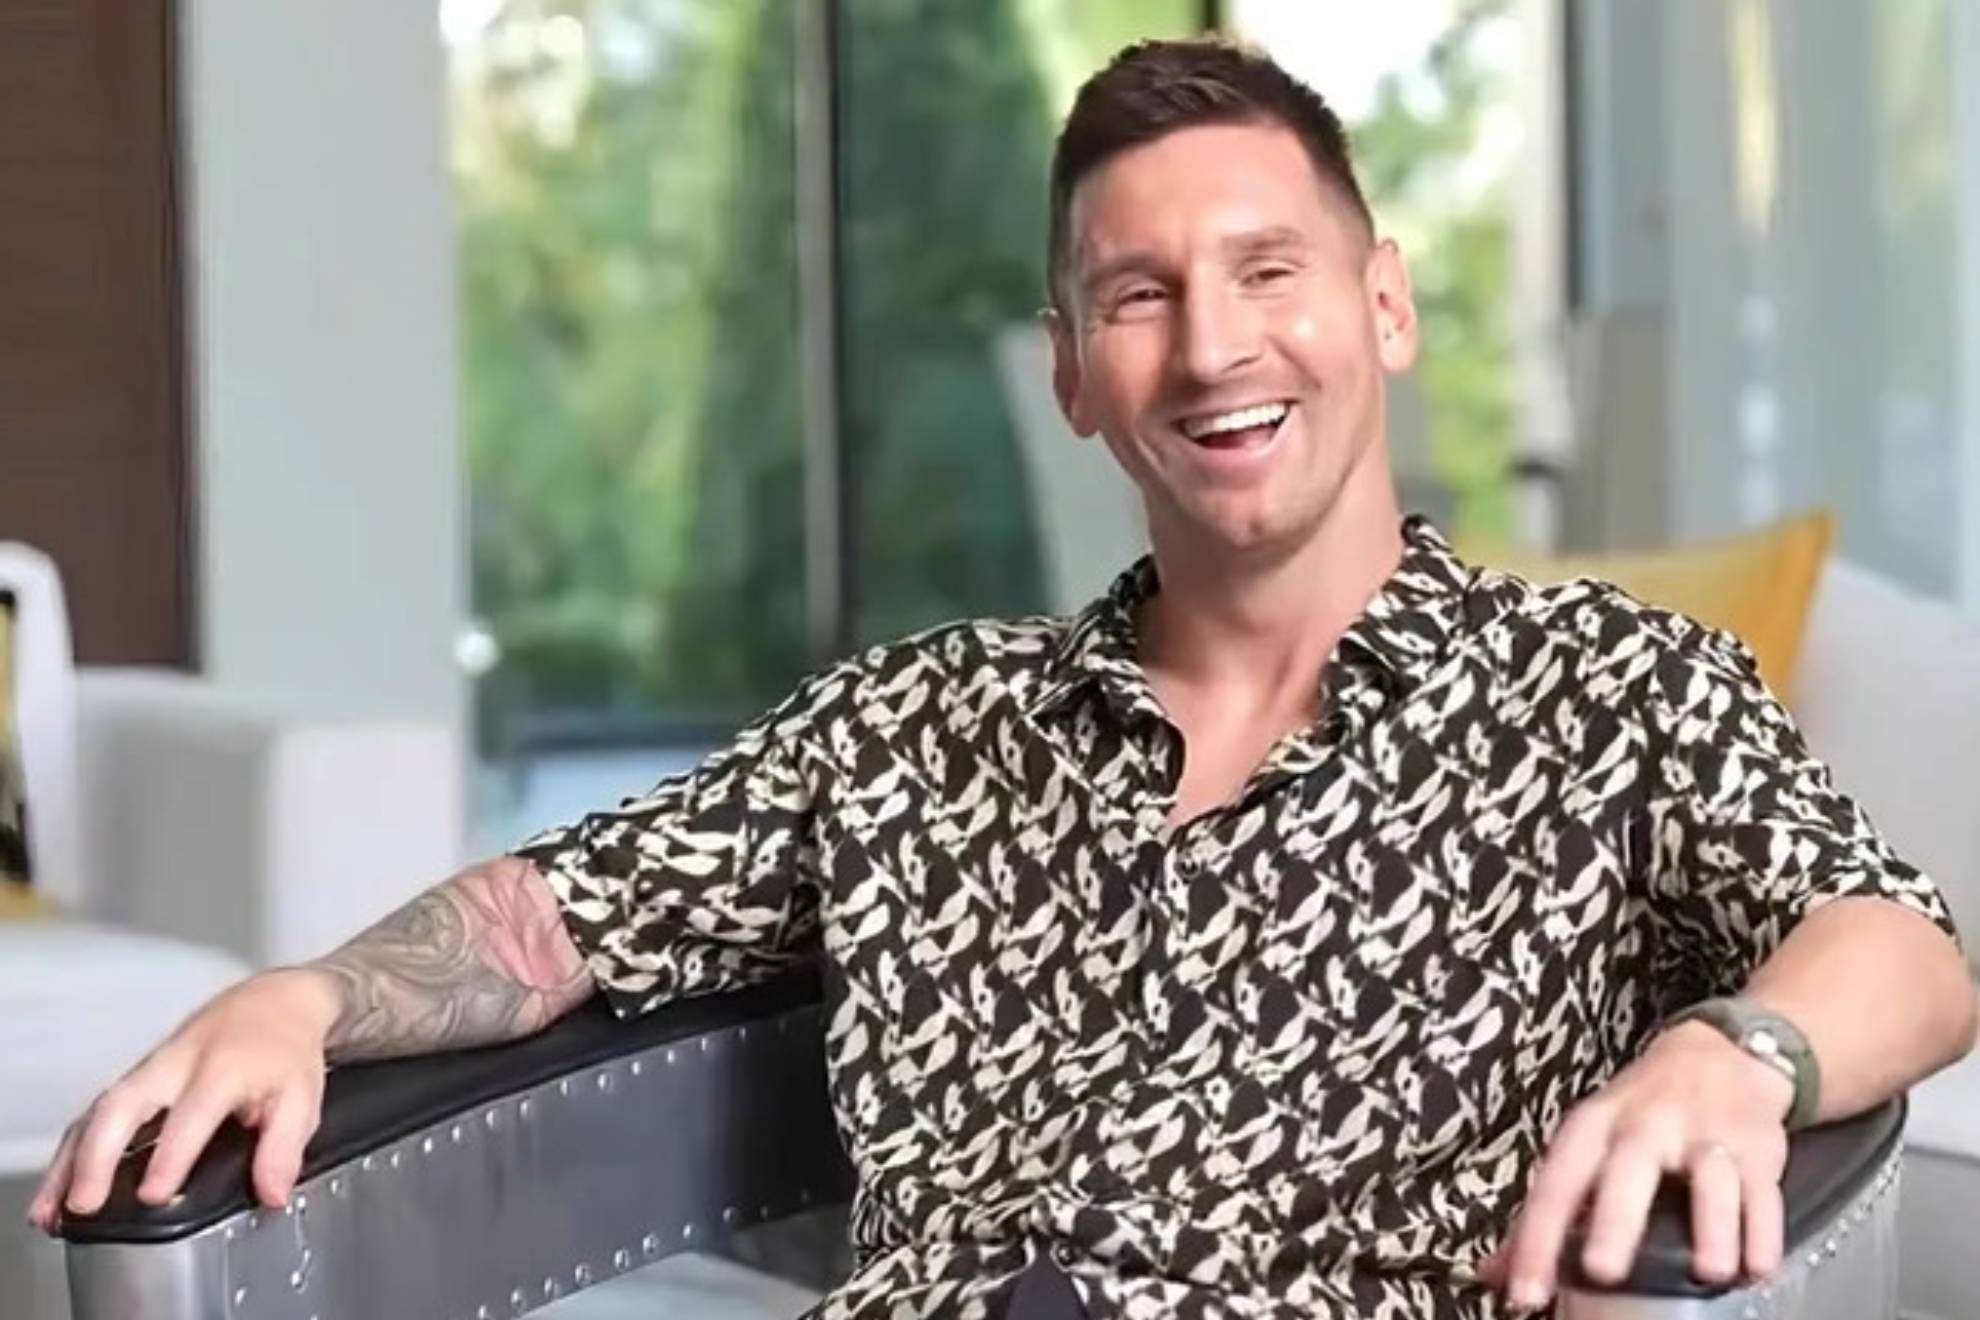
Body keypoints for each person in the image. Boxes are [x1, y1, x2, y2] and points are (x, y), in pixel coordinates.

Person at [32, 37, 1975, 1320]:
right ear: (1070, 373)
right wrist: (305, 998)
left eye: (1269, 271)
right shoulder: (913, 729)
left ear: (1382, 303)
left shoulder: (1607, 692)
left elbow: (1904, 946)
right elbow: (560, 916)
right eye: (1139, 297)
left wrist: (1738, 1055)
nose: (1213, 348)